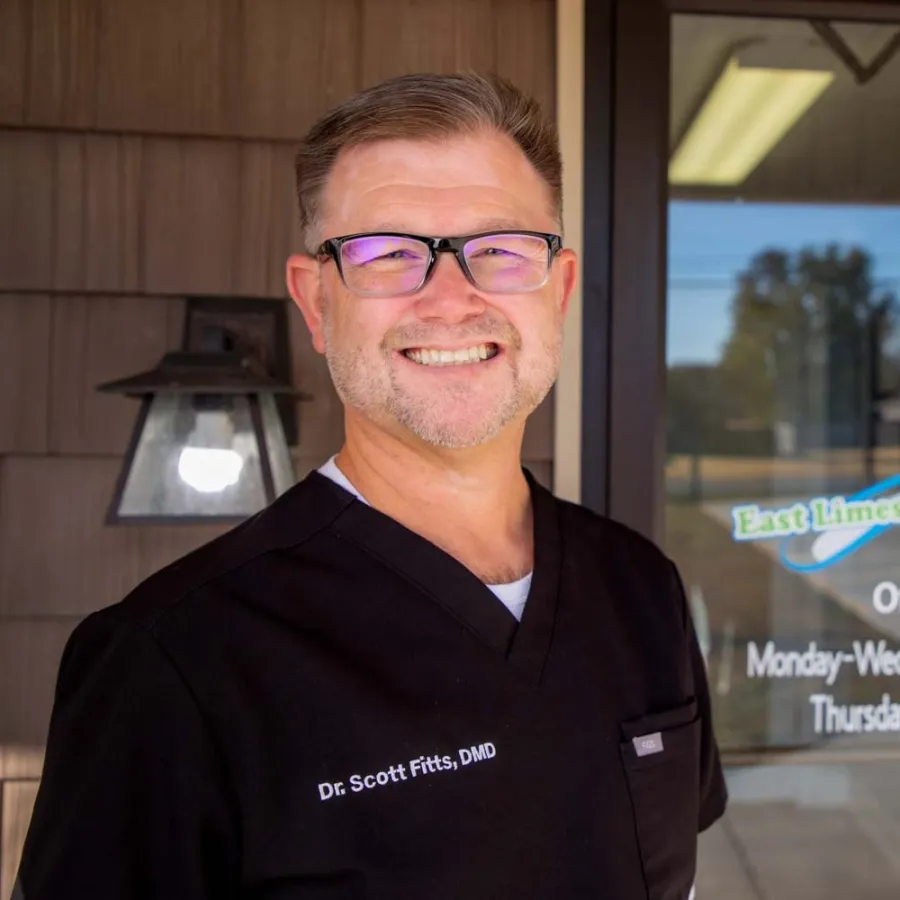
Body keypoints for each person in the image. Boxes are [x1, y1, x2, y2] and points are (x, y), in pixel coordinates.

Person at [15, 72, 726, 899]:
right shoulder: (171, 663)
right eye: (389, 253)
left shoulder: (641, 589)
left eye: (499, 249)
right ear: (317, 301)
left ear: (559, 290)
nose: (452, 299)